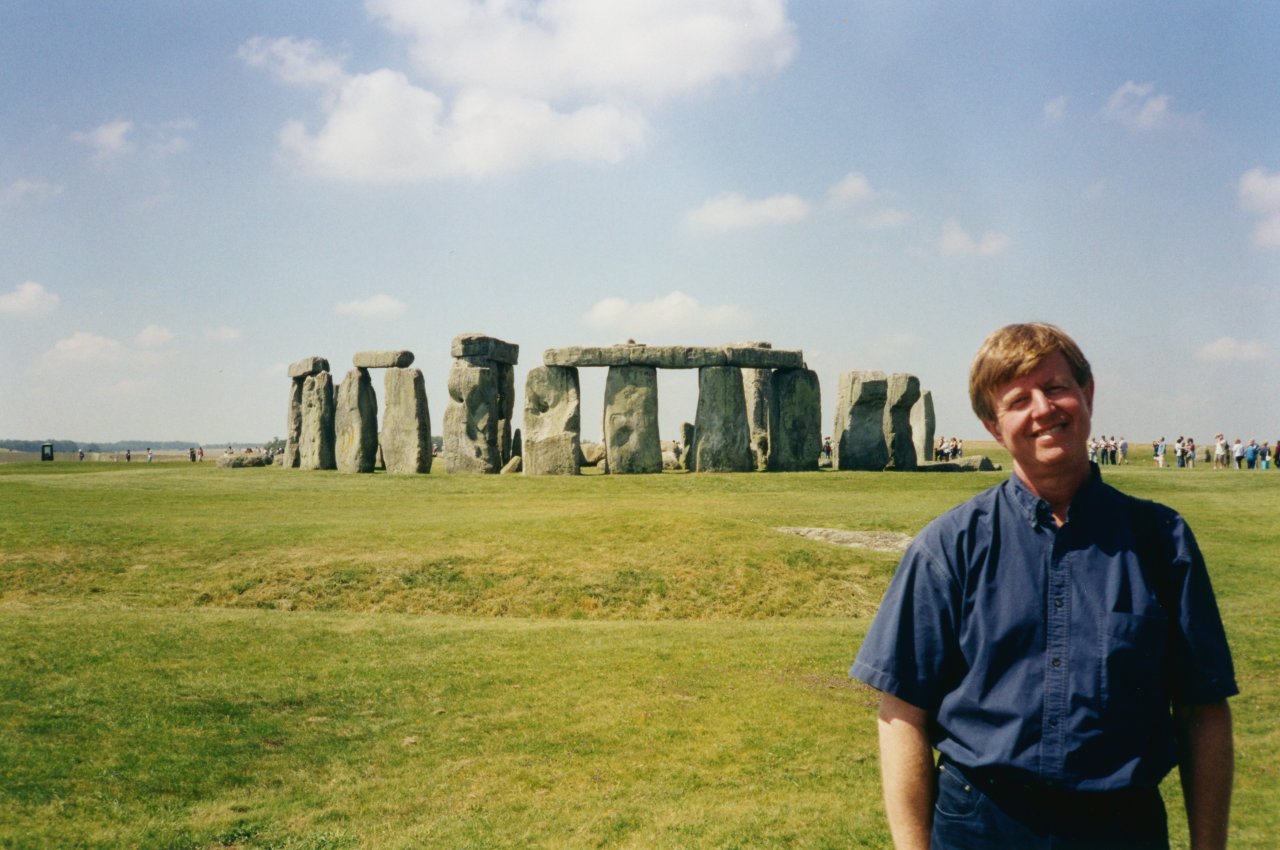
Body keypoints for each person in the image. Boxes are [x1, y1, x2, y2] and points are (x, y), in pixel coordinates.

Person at [851, 323, 1236, 850]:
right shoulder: (948, 547)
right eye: (1017, 400)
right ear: (993, 426)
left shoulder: (1162, 542)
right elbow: (901, 715)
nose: (1043, 409)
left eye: (1055, 387)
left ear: (1087, 393)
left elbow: (1203, 709)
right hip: (981, 823)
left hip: (1121, 826)